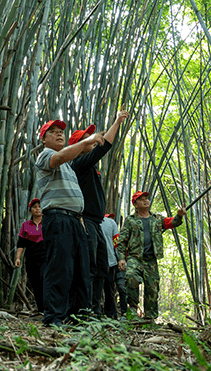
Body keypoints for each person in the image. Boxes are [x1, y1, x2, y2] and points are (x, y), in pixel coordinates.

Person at [34, 119, 104, 326]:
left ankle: (79, 317)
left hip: (75, 220)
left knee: (81, 270)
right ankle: (54, 317)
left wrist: (80, 220)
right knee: (60, 267)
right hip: (57, 218)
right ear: (44, 139)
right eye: (52, 132)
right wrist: (87, 141)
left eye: (61, 132)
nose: (59, 134)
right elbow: (58, 158)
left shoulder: (70, 168)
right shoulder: (45, 155)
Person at [68, 111, 128, 316]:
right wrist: (117, 121)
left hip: (98, 222)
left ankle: (100, 310)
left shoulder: (90, 167)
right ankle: (85, 311)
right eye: (87, 140)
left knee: (102, 267)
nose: (93, 142)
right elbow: (105, 147)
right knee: (89, 266)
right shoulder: (79, 163)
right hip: (86, 221)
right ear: (78, 146)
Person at [117, 191, 186, 321]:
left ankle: (150, 317)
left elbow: (172, 223)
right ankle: (131, 311)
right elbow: (122, 241)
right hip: (134, 257)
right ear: (135, 204)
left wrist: (179, 215)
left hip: (151, 260)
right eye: (141, 199)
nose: (145, 201)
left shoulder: (157, 219)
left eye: (146, 199)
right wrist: (121, 258)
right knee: (131, 277)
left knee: (152, 287)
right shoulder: (130, 220)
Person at [14, 198, 46, 313]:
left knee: (46, 281)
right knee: (36, 283)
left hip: (46, 258)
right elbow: (21, 243)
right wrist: (18, 258)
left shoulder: (48, 222)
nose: (37, 209)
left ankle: (50, 308)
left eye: (39, 206)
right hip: (31, 258)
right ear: (30, 210)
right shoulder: (26, 225)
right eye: (34, 207)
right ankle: (41, 309)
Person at [99, 213, 120, 319]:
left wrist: (120, 259)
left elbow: (116, 242)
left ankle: (96, 312)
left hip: (106, 261)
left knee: (102, 289)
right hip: (109, 260)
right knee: (109, 289)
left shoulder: (111, 223)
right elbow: (116, 243)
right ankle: (111, 314)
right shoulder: (111, 222)